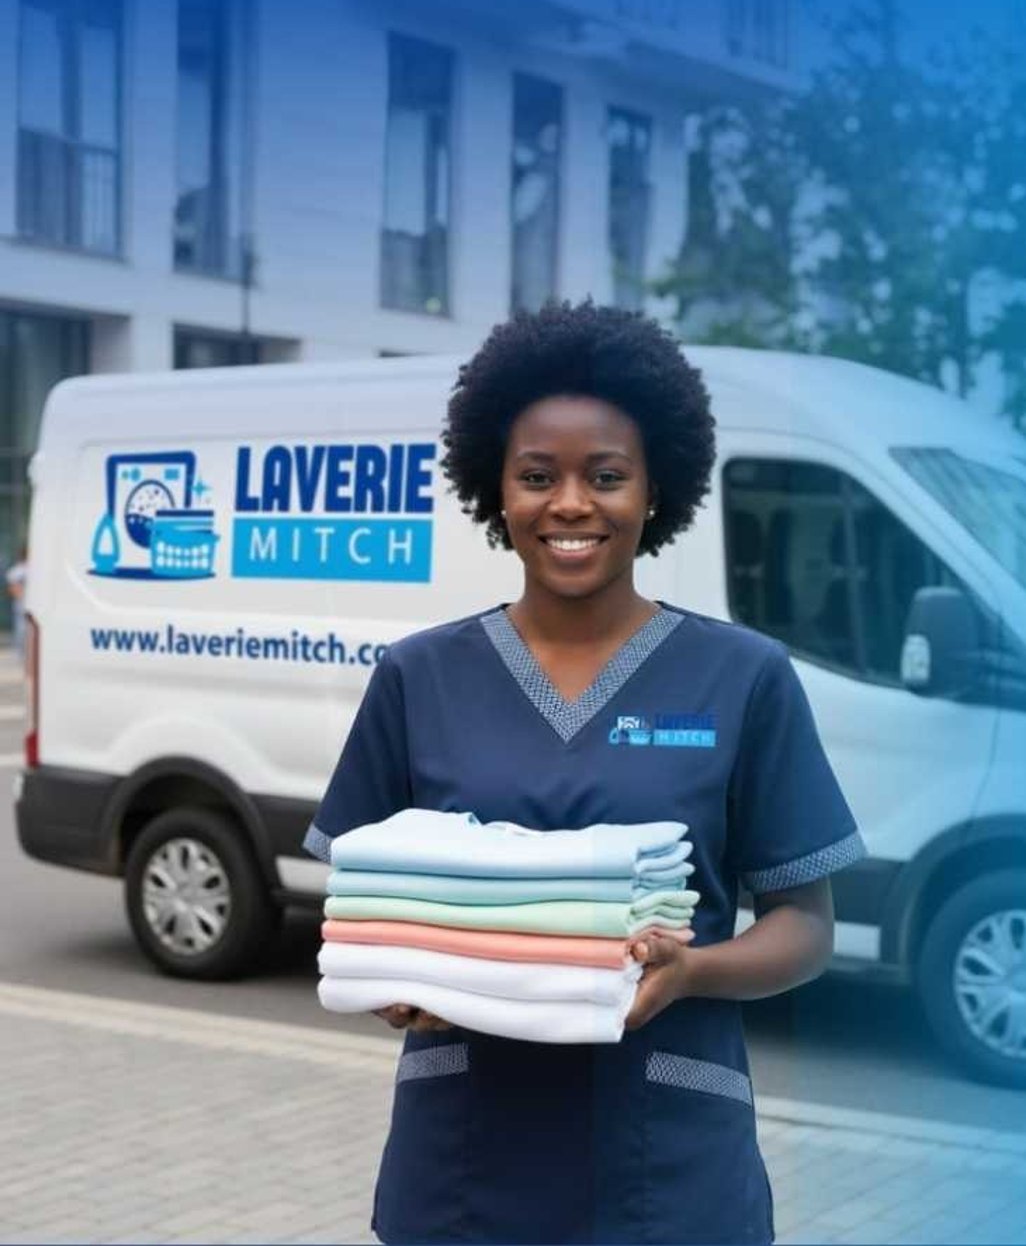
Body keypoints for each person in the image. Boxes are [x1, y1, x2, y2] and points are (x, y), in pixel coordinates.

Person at [303, 303, 864, 1244]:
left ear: (655, 491)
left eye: (606, 476)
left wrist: (692, 972)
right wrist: (390, 980)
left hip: (667, 1167)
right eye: (537, 477)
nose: (570, 504)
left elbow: (805, 929)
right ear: (499, 492)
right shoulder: (418, 677)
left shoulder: (744, 677)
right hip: (464, 1171)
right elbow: (361, 907)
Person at [6, 542, 25, 660]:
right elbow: (13, 587)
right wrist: (21, 597)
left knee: (22, 629)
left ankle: (22, 654)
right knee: (21, 629)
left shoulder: (17, 570)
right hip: (22, 602)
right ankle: (20, 654)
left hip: (23, 601)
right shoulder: (17, 570)